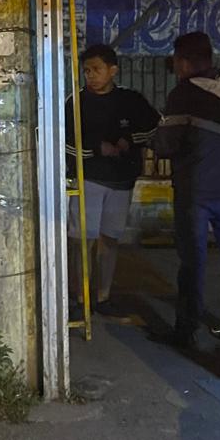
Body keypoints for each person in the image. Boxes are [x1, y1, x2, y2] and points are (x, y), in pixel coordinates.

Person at [154, 32, 220, 349]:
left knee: (193, 262)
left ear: (183, 62)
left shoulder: (183, 94)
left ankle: (187, 329)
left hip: (195, 192)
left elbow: (165, 145)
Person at [65, 44, 160, 312]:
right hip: (89, 179)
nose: (90, 75)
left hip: (122, 181)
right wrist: (98, 148)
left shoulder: (131, 100)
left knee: (110, 239)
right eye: (86, 70)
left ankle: (103, 296)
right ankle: (81, 297)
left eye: (96, 69)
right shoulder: (76, 103)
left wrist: (129, 140)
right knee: (83, 241)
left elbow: (155, 128)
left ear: (113, 70)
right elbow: (66, 143)